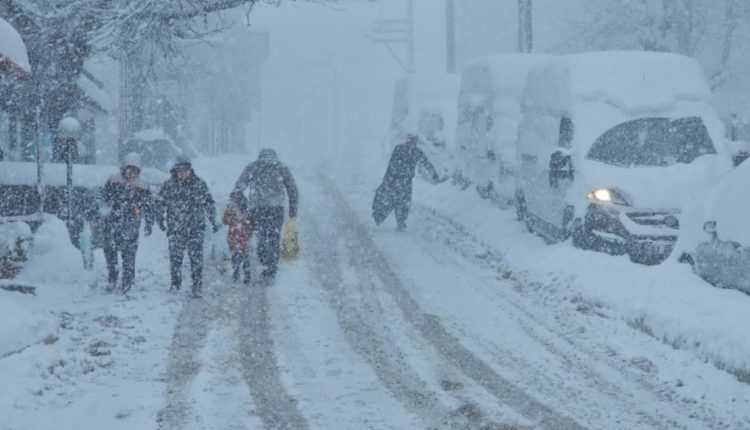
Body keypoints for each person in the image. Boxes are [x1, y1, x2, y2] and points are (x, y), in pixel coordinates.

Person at [233, 148, 298, 282]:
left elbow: (238, 189)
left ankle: (264, 264)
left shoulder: (253, 167)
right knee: (274, 238)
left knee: (261, 237)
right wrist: (292, 211)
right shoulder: (281, 168)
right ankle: (271, 271)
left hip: (258, 209)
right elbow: (293, 191)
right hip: (276, 209)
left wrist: (244, 206)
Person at [158, 156, 219, 298]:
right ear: (175, 171)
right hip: (175, 228)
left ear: (190, 170)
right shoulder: (169, 185)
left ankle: (197, 286)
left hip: (195, 228)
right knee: (175, 259)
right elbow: (160, 203)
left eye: (185, 170)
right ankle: (175, 284)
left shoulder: (199, 184)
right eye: (179, 170)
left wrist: (213, 220)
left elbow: (209, 203)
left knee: (196, 259)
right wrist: (160, 219)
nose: (182, 173)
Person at [101, 152, 154, 293]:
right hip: (112, 222)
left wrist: (149, 223)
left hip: (131, 224)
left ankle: (127, 282)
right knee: (111, 253)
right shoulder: (113, 180)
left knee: (129, 254)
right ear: (124, 168)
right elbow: (103, 197)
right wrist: (106, 208)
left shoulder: (143, 185)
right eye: (129, 170)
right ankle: (112, 278)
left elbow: (149, 205)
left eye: (135, 171)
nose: (131, 174)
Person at [373, 133, 442, 231]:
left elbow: (426, 163)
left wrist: (434, 175)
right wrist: (435, 176)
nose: (413, 141)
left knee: (398, 201)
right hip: (400, 180)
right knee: (401, 201)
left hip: (400, 180)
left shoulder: (407, 150)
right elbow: (392, 163)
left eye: (414, 139)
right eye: (412, 139)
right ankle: (396, 221)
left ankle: (396, 221)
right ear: (410, 139)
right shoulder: (411, 150)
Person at [222, 191, 253, 284]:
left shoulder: (231, 210)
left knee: (236, 257)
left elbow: (225, 221)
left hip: (234, 236)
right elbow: (251, 224)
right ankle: (246, 276)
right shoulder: (247, 211)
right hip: (243, 237)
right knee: (244, 256)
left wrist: (228, 212)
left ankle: (237, 274)